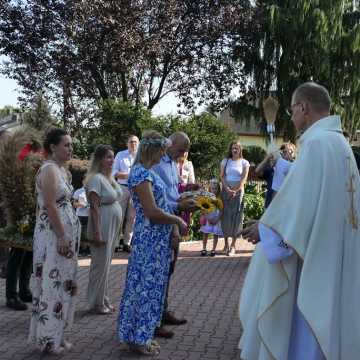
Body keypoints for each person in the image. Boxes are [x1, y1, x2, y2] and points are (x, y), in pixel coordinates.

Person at [239, 82, 360, 360]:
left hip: (313, 263)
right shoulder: (339, 144)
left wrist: (266, 229)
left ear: (303, 107)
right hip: (330, 256)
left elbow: (300, 208)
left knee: (305, 338)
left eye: (293, 109)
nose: (291, 116)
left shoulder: (317, 144)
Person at [117, 131, 187, 356]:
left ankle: (138, 336)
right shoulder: (140, 174)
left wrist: (184, 203)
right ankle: (138, 339)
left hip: (157, 241)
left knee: (150, 289)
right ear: (152, 150)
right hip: (149, 241)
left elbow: (165, 202)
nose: (163, 155)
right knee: (144, 290)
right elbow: (152, 212)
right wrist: (176, 219)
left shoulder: (146, 172)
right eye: (161, 151)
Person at [29, 128, 81, 355]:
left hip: (64, 236)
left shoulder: (62, 170)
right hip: (53, 237)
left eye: (71, 145)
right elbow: (49, 205)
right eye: (66, 145)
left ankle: (58, 335)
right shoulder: (49, 170)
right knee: (52, 287)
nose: (70, 149)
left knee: (63, 285)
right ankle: (48, 340)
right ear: (53, 147)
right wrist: (61, 235)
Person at [152, 131, 198, 338]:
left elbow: (173, 191)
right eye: (180, 150)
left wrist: (188, 193)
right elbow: (156, 201)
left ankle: (163, 311)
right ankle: (155, 319)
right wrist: (179, 204)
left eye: (185, 151)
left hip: (174, 220)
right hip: (163, 224)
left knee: (168, 270)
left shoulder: (172, 163)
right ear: (170, 144)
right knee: (159, 272)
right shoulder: (155, 163)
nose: (182, 155)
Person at [85, 145, 123, 314]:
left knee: (106, 265)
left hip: (111, 226)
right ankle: (96, 303)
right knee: (100, 266)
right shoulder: (96, 179)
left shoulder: (109, 178)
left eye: (113, 157)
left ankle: (103, 298)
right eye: (108, 157)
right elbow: (94, 207)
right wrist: (98, 233)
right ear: (100, 159)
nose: (112, 160)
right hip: (102, 226)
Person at [220, 140, 250, 256]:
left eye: (237, 148)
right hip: (226, 190)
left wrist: (236, 190)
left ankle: (233, 245)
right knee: (226, 216)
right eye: (233, 148)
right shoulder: (225, 161)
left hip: (238, 191)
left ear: (240, 149)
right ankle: (226, 243)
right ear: (230, 149)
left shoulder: (244, 162)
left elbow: (244, 178)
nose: (235, 150)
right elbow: (222, 176)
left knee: (237, 217)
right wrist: (227, 189)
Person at [113, 135, 139, 253]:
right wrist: (128, 175)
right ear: (127, 143)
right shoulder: (120, 155)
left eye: (135, 142)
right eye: (131, 142)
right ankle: (115, 242)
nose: (133, 144)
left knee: (132, 217)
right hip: (122, 188)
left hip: (136, 189)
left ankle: (127, 243)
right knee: (119, 216)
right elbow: (114, 172)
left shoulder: (141, 156)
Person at [200, 179, 223, 257]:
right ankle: (204, 248)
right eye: (212, 188)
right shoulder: (206, 198)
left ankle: (213, 249)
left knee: (215, 234)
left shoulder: (219, 200)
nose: (214, 190)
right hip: (208, 220)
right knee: (205, 233)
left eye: (216, 188)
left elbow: (221, 211)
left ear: (218, 189)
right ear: (210, 189)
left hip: (216, 220)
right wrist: (208, 218)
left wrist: (217, 219)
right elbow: (203, 210)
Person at [72, 182, 90, 257]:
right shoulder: (78, 191)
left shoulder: (93, 190)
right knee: (80, 232)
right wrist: (80, 204)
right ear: (83, 181)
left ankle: (86, 249)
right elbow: (73, 204)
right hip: (80, 215)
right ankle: (80, 250)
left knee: (87, 233)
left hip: (89, 215)